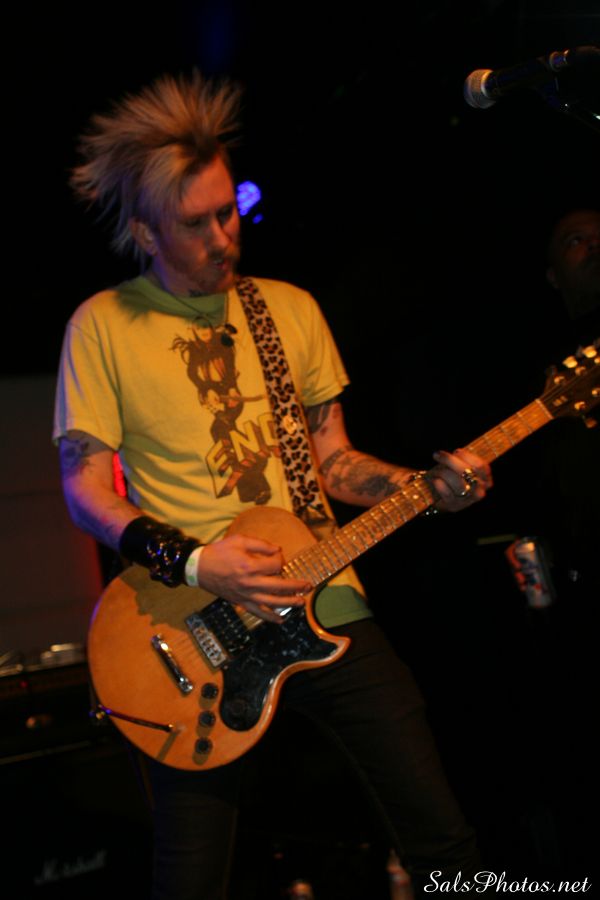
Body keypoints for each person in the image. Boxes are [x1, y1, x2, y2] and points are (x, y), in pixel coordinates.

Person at [53, 71, 493, 899]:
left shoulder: (288, 309)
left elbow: (333, 461)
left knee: (443, 837)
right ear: (146, 231)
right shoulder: (102, 326)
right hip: (187, 628)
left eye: (228, 212)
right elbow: (86, 493)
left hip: (326, 597)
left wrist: (421, 486)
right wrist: (198, 563)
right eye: (196, 223)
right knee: (191, 877)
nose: (224, 237)